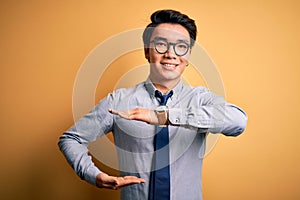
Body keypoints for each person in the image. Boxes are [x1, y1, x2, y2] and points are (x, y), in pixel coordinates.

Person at [58, 9, 247, 200]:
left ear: (188, 56)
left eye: (181, 46)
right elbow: (71, 139)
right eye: (161, 45)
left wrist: (163, 116)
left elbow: (238, 122)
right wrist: (95, 176)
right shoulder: (118, 102)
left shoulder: (201, 99)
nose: (171, 54)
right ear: (147, 51)